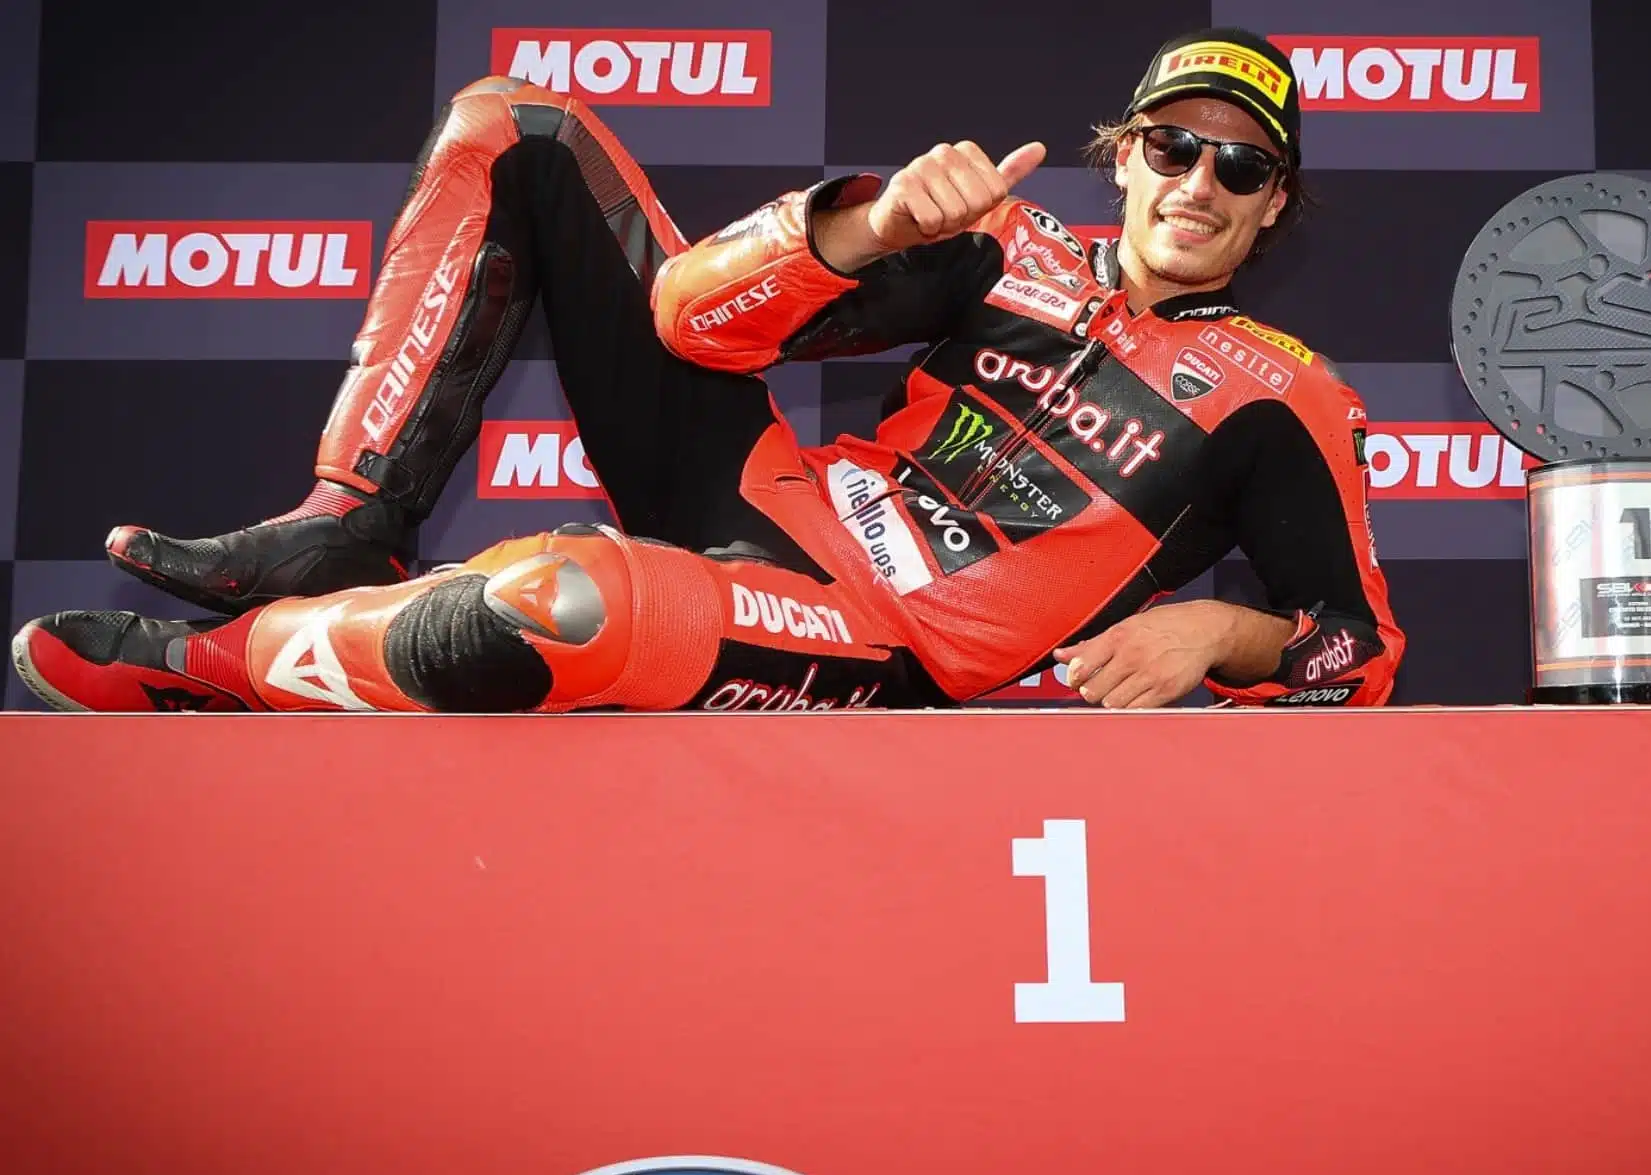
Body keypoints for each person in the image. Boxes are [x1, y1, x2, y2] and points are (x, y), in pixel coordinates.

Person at [11, 27, 1404, 715]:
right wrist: (869, 227)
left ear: (1273, 205)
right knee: (517, 126)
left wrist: (1216, 638)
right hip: (771, 497)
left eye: (1242, 167)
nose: (1200, 184)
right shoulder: (1006, 245)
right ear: (1128, 158)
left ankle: (213, 668)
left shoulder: (1285, 394)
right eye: (1175, 147)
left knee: (569, 602)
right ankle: (348, 521)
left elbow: (1358, 652)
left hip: (878, 652)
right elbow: (695, 329)